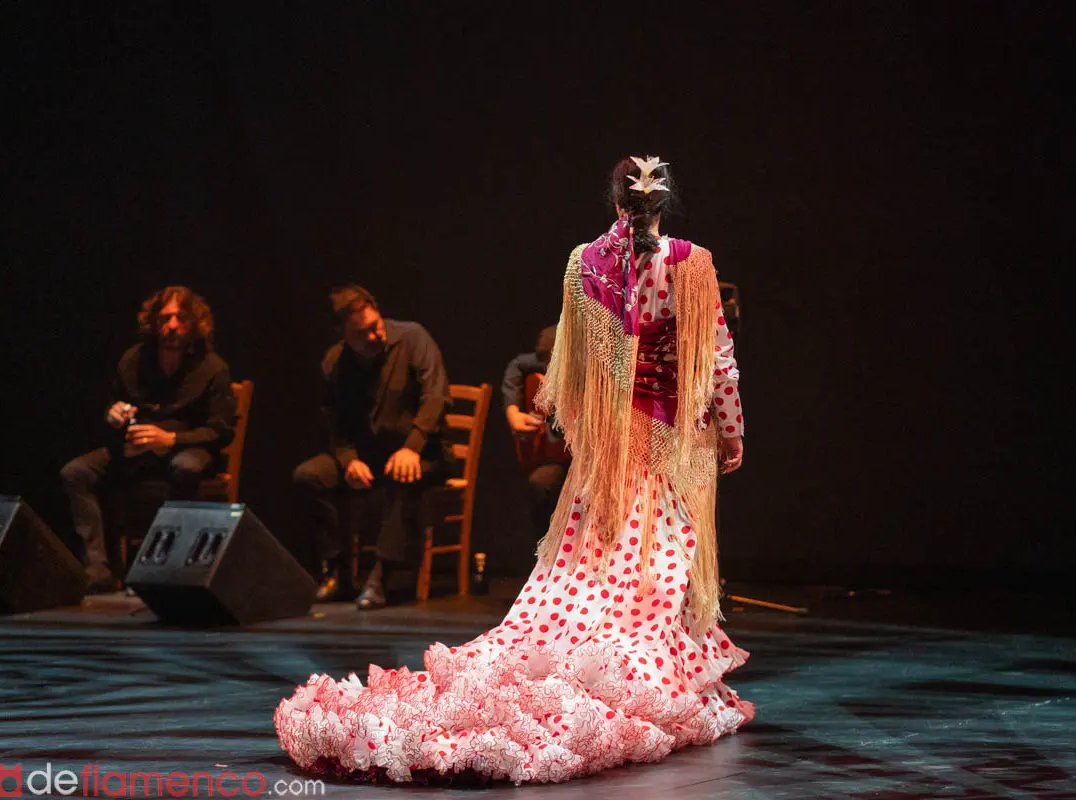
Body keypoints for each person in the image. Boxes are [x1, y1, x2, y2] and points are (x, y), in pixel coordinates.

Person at [274, 156, 753, 784]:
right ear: (664, 205)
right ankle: (651, 673)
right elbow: (718, 360)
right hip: (674, 442)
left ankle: (593, 647)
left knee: (592, 562)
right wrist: (732, 432)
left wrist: (594, 433)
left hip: (608, 451)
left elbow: (571, 371)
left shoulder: (585, 263)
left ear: (615, 205)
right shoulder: (694, 263)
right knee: (660, 563)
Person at [60, 286, 237, 593]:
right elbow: (115, 405)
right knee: (76, 472)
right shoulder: (133, 360)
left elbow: (220, 431)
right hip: (138, 449)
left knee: (185, 468)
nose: (171, 326)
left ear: (194, 323)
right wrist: (113, 415)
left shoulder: (213, 367)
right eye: (165, 318)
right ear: (154, 323)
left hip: (187, 447)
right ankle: (99, 568)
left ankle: (167, 563)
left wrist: (171, 438)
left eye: (180, 318)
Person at [293, 285, 451, 609]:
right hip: (367, 456)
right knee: (308, 476)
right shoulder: (336, 362)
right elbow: (333, 422)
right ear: (343, 336)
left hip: (422, 451)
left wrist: (413, 447)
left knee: (401, 472)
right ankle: (336, 571)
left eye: (376, 325)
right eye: (362, 332)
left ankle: (380, 575)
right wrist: (348, 460)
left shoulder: (412, 337)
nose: (375, 335)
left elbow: (436, 396)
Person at [502, 325, 570, 538]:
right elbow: (517, 365)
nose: (548, 371)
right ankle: (544, 558)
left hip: (593, 462)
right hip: (560, 457)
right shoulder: (545, 358)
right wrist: (513, 411)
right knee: (540, 483)